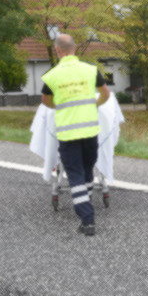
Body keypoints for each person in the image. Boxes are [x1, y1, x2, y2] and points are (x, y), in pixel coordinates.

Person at [41, 34, 111, 236]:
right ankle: (86, 203)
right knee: (87, 170)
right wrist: (93, 105)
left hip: (68, 132)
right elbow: (105, 94)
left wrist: (60, 106)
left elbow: (45, 101)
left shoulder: (52, 75)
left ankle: (87, 219)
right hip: (90, 131)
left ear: (57, 50)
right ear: (74, 48)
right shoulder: (90, 70)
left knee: (75, 175)